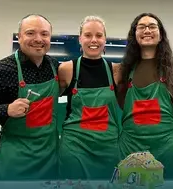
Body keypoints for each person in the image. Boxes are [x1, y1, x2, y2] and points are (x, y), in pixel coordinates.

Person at [117, 13, 173, 180]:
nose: (147, 30)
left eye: (152, 26)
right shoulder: (122, 70)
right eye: (141, 27)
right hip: (129, 151)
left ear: (161, 34)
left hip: (166, 150)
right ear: (135, 35)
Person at [0, 14, 59, 180]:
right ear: (19, 37)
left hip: (50, 154)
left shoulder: (54, 66)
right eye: (30, 33)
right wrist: (6, 109)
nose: (38, 39)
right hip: (16, 156)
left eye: (44, 34)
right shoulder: (1, 70)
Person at [58, 15, 121, 180]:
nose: (94, 40)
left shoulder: (116, 71)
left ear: (105, 39)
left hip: (108, 149)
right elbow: (49, 103)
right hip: (74, 148)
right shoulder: (66, 69)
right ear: (80, 39)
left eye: (99, 35)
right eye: (88, 35)